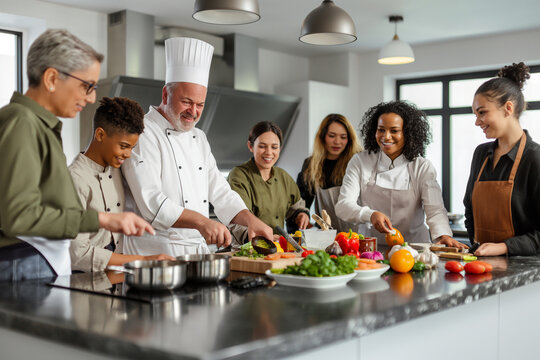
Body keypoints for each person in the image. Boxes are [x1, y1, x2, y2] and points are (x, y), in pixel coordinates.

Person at [0, 29, 154, 281]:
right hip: (21, 266)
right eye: (86, 85)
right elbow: (20, 217)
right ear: (51, 78)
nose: (91, 97)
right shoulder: (22, 122)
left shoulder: (40, 126)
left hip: (35, 266)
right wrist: (103, 219)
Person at [122, 37, 273, 256]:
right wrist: (202, 222)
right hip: (154, 254)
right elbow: (152, 202)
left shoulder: (199, 137)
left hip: (196, 252)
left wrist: (251, 221)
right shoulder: (143, 132)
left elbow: (220, 191)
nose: (193, 111)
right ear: (166, 94)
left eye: (200, 104)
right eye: (187, 102)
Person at [335, 101, 464, 248]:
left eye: (394, 131)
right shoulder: (360, 161)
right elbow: (343, 206)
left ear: (407, 133)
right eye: (381, 130)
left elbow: (435, 209)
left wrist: (443, 235)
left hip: (415, 249)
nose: (386, 137)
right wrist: (370, 215)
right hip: (370, 249)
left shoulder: (421, 167)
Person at [69, 97, 174, 272]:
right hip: (83, 282)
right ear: (100, 135)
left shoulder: (117, 169)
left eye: (132, 148)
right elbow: (77, 254)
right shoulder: (74, 179)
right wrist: (143, 260)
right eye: (124, 146)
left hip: (114, 278)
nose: (128, 154)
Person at [464, 62, 540, 256]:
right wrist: (478, 247)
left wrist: (503, 247)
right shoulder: (480, 154)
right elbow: (469, 209)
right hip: (480, 262)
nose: (477, 121)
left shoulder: (534, 158)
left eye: (482, 112)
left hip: (525, 271)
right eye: (475, 114)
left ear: (507, 108)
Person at [227, 121, 309, 240]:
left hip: (279, 248)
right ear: (250, 146)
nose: (269, 152)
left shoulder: (283, 176)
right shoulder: (239, 175)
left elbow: (295, 207)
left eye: (274, 147)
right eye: (262, 146)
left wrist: (301, 215)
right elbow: (238, 220)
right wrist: (262, 239)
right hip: (247, 249)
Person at [296, 114, 362, 232]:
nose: (337, 142)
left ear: (349, 139)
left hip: (358, 233)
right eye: (332, 136)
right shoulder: (311, 165)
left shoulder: (357, 161)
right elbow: (301, 201)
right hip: (327, 235)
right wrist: (302, 214)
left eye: (343, 137)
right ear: (322, 137)